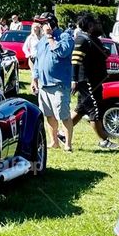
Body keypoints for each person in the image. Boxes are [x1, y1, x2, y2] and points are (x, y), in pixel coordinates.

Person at [32, 13, 75, 152]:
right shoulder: (42, 40)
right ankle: (54, 141)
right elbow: (38, 61)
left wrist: (50, 37)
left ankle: (68, 144)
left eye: (43, 23)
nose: (41, 26)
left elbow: (62, 52)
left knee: (63, 115)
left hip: (59, 84)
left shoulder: (65, 37)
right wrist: (34, 78)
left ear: (51, 24)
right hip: (44, 84)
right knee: (49, 115)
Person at [71, 13, 114, 148]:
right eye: (97, 23)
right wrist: (74, 80)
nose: (99, 26)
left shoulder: (94, 39)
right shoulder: (82, 39)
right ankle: (104, 140)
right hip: (87, 81)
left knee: (81, 109)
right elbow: (75, 61)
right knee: (93, 110)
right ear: (90, 25)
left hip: (96, 81)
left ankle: (62, 133)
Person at [22, 21, 42, 96]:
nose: (35, 29)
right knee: (34, 73)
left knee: (39, 73)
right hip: (32, 58)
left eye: (36, 27)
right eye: (33, 28)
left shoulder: (42, 37)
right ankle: (35, 88)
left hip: (40, 58)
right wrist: (28, 54)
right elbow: (24, 47)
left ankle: (35, 87)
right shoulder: (30, 38)